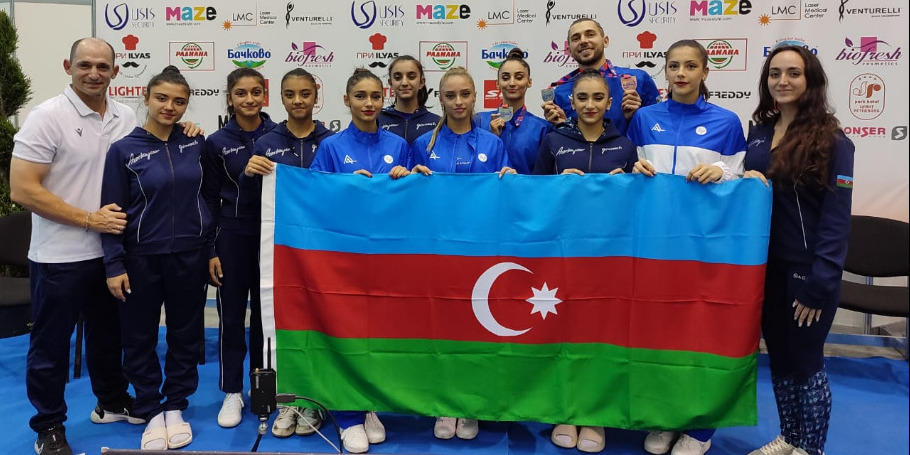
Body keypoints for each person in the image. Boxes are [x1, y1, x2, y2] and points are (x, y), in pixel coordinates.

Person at [9, 37, 196, 455]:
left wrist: (188, 129)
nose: (93, 73)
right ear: (68, 66)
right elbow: (22, 189)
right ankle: (49, 425)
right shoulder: (46, 117)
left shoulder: (125, 115)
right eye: (84, 65)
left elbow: (153, 148)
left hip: (115, 254)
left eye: (102, 66)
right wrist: (88, 219)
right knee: (51, 345)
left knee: (110, 337)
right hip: (60, 255)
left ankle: (110, 402)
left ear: (115, 71)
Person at [626, 40, 747, 455]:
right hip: (654, 246)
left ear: (705, 72)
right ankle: (665, 416)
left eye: (690, 66)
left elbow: (741, 180)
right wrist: (633, 168)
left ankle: (700, 430)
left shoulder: (727, 122)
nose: (681, 73)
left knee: (701, 336)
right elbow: (629, 172)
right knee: (659, 334)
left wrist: (721, 172)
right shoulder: (644, 118)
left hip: (704, 247)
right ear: (665, 71)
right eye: (674, 66)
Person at [743, 45, 854, 455]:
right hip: (762, 266)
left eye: (793, 73)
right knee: (780, 358)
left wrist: (821, 281)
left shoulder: (833, 140)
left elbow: (837, 217)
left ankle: (810, 448)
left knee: (806, 362)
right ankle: (789, 437)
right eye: (775, 73)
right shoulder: (759, 132)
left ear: (811, 80)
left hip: (807, 271)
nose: (783, 81)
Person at [100, 66, 211, 451]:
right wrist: (114, 264)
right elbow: (112, 212)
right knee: (139, 338)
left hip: (189, 257)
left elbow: (208, 198)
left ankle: (176, 405)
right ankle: (149, 409)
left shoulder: (196, 143)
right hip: (140, 260)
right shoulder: (123, 150)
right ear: (145, 98)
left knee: (185, 335)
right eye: (162, 98)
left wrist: (209, 249)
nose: (170, 107)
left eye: (179, 101)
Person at [309, 68, 411, 453]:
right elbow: (313, 198)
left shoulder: (399, 145)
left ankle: (369, 406)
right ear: (346, 100)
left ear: (384, 99)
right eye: (360, 96)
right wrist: (344, 187)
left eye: (375, 96)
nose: (369, 103)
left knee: (378, 333)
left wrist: (404, 178)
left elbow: (412, 198)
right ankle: (347, 414)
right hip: (343, 258)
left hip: (386, 257)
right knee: (346, 332)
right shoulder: (331, 147)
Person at [410, 66, 513, 442]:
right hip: (437, 253)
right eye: (450, 95)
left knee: (476, 330)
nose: (458, 102)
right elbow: (408, 197)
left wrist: (511, 181)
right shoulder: (423, 144)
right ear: (439, 99)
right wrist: (409, 178)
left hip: (480, 253)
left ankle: (471, 404)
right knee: (440, 328)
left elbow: (507, 198)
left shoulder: (493, 144)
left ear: (475, 97)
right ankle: (444, 403)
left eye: (465, 94)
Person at [241, 68, 334, 438]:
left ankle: (314, 398)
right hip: (281, 251)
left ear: (316, 97)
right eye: (290, 94)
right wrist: (249, 174)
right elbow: (254, 203)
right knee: (281, 321)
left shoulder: (331, 141)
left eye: (305, 94)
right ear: (280, 98)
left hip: (324, 250)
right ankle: (285, 399)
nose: (298, 101)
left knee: (320, 321)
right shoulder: (266, 142)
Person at [200, 67, 276, 429]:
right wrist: (210, 249)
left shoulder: (278, 135)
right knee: (231, 317)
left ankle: (264, 387)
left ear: (265, 95)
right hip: (231, 236)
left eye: (256, 92)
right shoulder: (216, 142)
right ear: (229, 98)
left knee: (266, 317)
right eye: (241, 93)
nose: (249, 99)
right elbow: (207, 199)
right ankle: (232, 390)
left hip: (272, 237)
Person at [541, 17, 660, 134]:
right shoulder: (560, 93)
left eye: (590, 34)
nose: (583, 41)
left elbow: (659, 126)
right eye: (576, 38)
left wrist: (638, 116)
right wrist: (562, 126)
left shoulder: (638, 79)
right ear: (569, 51)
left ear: (605, 41)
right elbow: (562, 141)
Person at [533, 68, 637, 177]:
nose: (590, 105)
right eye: (582, 98)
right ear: (573, 103)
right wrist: (559, 182)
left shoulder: (626, 146)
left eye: (598, 98)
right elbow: (537, 185)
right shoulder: (552, 141)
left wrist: (625, 183)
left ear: (608, 103)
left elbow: (636, 187)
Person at [476, 48, 551, 174]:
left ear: (529, 82)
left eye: (519, 77)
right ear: (497, 83)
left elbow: (544, 176)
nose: (512, 83)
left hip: (525, 187)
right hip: (488, 187)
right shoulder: (479, 121)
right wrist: (491, 139)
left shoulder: (542, 128)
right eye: (505, 78)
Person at [378, 55, 441, 144]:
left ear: (421, 82)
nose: (404, 83)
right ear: (391, 83)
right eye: (397, 78)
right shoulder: (377, 122)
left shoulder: (437, 123)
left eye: (411, 77)